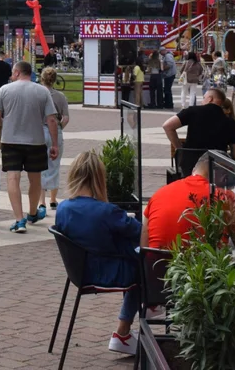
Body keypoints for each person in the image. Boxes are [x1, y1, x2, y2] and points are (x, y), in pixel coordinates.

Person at [54, 150, 142, 356]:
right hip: (105, 272)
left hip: (79, 272)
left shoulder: (63, 209)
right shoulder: (106, 211)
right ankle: (123, 331)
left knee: (135, 258)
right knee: (145, 268)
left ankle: (127, 329)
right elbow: (139, 231)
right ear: (99, 178)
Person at [0, 60, 58, 234]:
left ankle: (19, 220)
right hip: (36, 141)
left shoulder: (5, 89)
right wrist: (54, 143)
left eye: (13, 72)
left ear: (17, 73)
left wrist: (6, 123)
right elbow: (52, 119)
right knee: (35, 180)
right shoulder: (42, 91)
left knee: (13, 178)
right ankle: (32, 212)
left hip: (10, 140)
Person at [142, 151, 235, 250]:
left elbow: (144, 245)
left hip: (156, 267)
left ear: (194, 170)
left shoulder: (159, 194)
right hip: (203, 267)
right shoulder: (226, 198)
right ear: (225, 176)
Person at [161, 87, 235, 175]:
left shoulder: (192, 111)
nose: (202, 101)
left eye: (204, 98)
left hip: (190, 164)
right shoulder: (231, 123)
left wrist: (180, 148)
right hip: (217, 167)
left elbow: (167, 126)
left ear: (210, 98)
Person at [39, 67, 70, 210]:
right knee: (55, 165)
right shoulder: (60, 96)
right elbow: (66, 118)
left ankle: (41, 201)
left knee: (39, 166)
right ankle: (52, 199)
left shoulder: (38, 94)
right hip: (55, 129)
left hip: (40, 130)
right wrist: (59, 128)